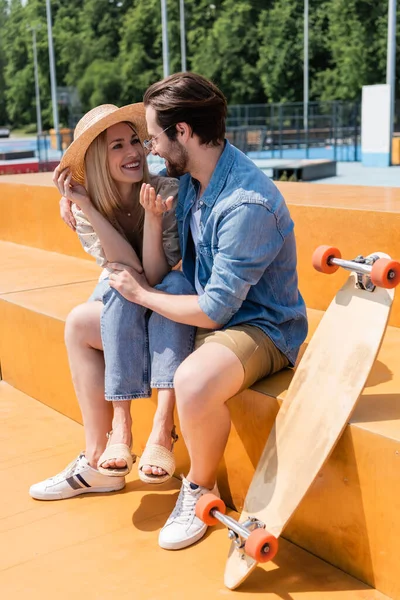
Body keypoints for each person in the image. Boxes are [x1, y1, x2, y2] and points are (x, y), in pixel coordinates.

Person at [106, 73, 308, 550]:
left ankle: (199, 486)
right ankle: (101, 454)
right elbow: (122, 178)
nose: (151, 149)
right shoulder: (193, 178)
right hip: (214, 313)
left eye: (155, 137)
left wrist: (143, 296)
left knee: (192, 378)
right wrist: (76, 201)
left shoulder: (246, 203)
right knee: (88, 324)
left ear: (184, 133)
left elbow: (217, 311)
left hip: (262, 327)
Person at [29, 103, 196, 501]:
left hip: (163, 303)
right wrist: (85, 204)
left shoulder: (168, 190)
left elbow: (152, 279)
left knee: (163, 283)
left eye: (135, 140)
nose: (132, 151)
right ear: (101, 160)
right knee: (85, 315)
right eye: (117, 145)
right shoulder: (88, 210)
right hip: (130, 305)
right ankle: (102, 449)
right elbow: (125, 269)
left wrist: (153, 219)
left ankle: (159, 426)